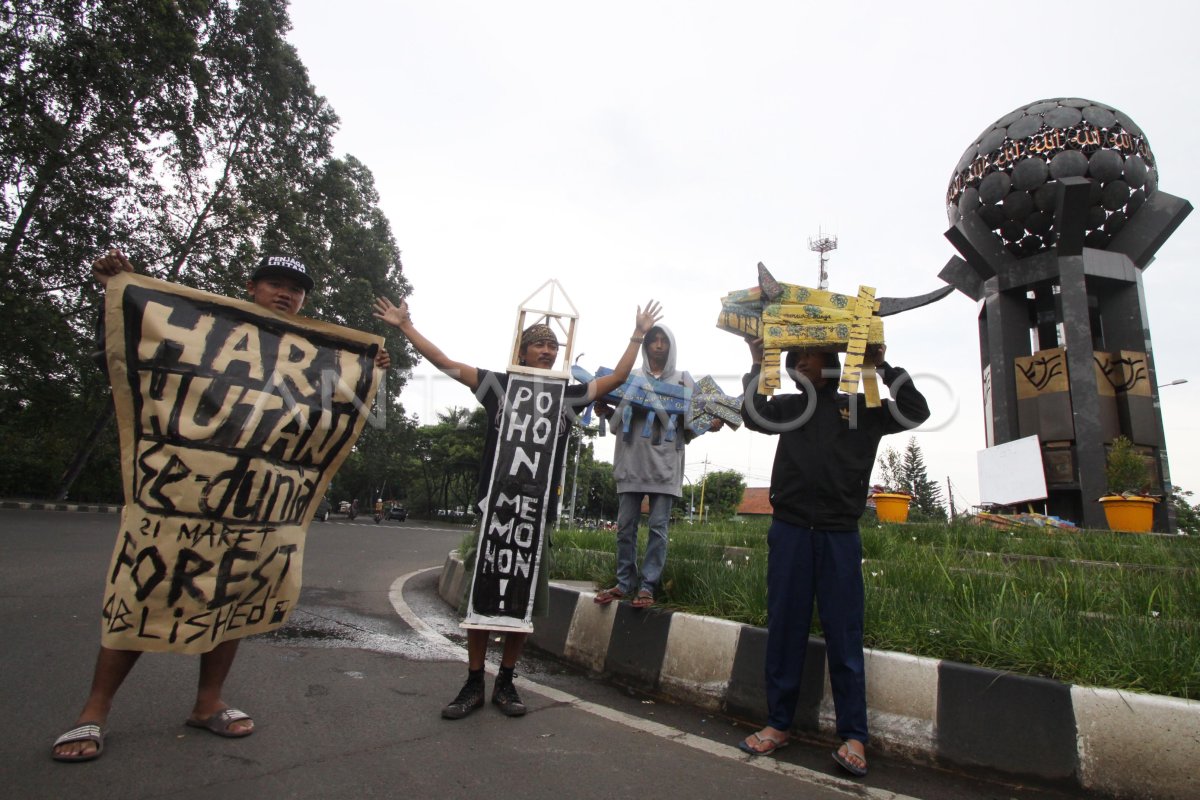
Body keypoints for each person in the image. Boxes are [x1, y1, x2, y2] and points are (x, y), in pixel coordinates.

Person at [51, 249, 389, 762]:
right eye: (274, 283)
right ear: (251, 287)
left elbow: (331, 412)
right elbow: (135, 360)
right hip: (180, 503)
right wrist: (118, 294)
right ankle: (92, 712)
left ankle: (207, 704)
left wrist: (366, 371)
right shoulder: (202, 332)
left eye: (295, 288)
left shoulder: (314, 356)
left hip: (255, 511)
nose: (286, 294)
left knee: (232, 604)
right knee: (142, 597)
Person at [373, 294, 661, 719]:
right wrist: (405, 326)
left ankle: (506, 681)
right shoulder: (497, 386)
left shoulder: (568, 395)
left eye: (553, 346)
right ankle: (473, 681)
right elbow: (443, 361)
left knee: (521, 606)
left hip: (534, 516)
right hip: (495, 514)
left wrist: (637, 334)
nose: (546, 352)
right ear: (522, 350)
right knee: (481, 603)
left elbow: (617, 378)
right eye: (538, 344)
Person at [737, 339, 929, 778]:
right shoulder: (788, 407)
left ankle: (855, 736)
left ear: (832, 361)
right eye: (794, 357)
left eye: (810, 354)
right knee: (785, 626)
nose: (800, 361)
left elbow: (917, 410)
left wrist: (882, 366)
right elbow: (752, 414)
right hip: (789, 530)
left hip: (840, 534)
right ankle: (778, 724)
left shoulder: (861, 407)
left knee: (845, 632)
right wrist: (757, 360)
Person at [592, 325, 721, 609]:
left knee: (658, 528)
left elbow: (692, 428)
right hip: (631, 461)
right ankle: (624, 583)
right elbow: (619, 425)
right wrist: (608, 411)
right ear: (646, 346)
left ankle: (647, 586)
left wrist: (710, 425)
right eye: (654, 341)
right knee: (624, 527)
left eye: (664, 341)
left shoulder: (685, 382)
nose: (658, 345)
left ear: (671, 346)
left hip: (666, 464)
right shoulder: (629, 379)